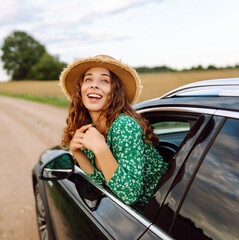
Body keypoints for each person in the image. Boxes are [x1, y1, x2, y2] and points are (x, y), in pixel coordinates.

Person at [59, 55, 168, 207]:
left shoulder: (124, 125)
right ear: (80, 90)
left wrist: (101, 148)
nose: (94, 85)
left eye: (104, 80)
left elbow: (130, 195)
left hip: (160, 208)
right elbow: (100, 181)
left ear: (115, 92)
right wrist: (77, 152)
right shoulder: (90, 129)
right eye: (88, 79)